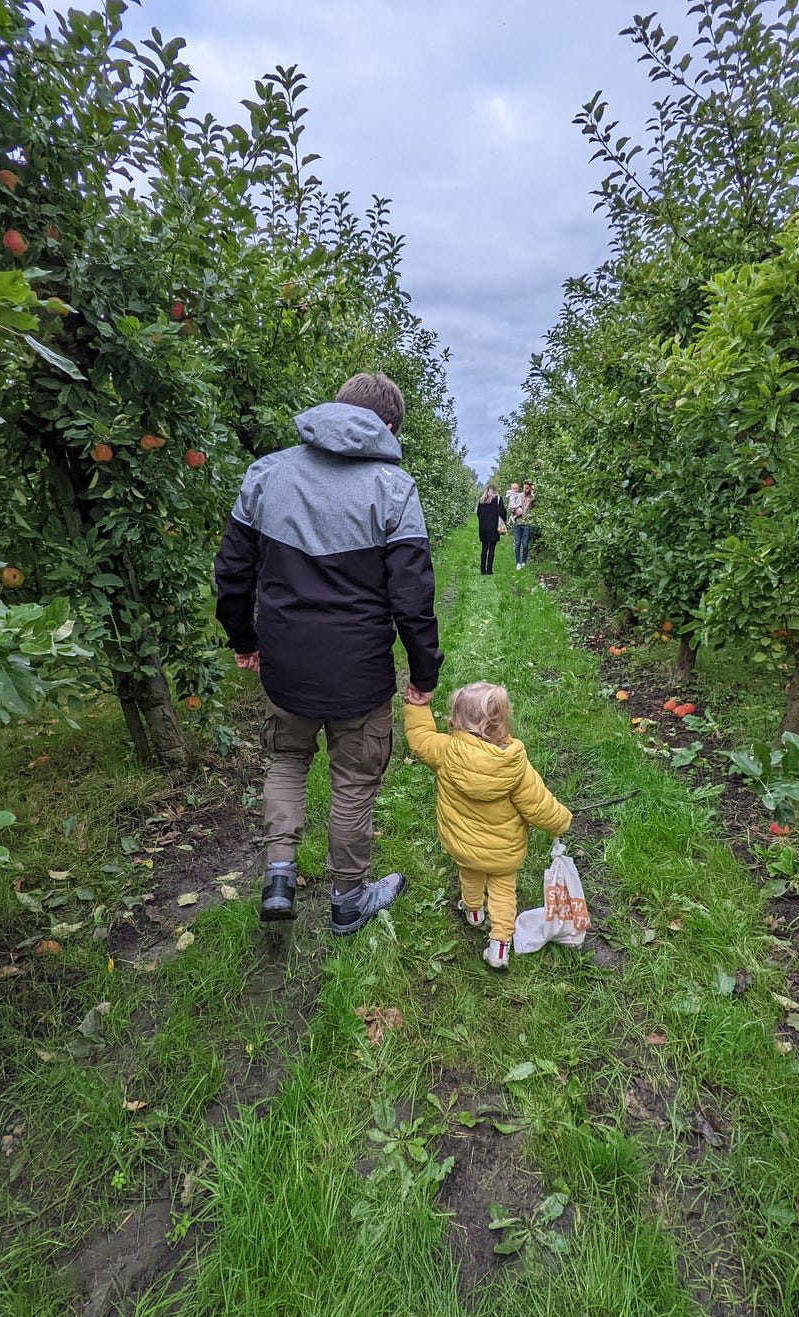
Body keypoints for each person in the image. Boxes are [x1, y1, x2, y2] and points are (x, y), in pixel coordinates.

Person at [214, 372, 443, 938]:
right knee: (353, 783)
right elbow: (412, 597)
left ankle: (278, 876)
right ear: (387, 427)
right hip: (359, 671)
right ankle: (347, 899)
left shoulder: (266, 473)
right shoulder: (394, 488)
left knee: (287, 760)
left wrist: (244, 640)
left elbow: (232, 574)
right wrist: (424, 672)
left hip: (286, 661)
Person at [402, 681, 572, 969]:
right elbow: (539, 805)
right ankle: (500, 946)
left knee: (470, 875)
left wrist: (416, 705)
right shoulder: (514, 766)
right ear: (503, 724)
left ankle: (474, 912)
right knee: (503, 891)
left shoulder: (446, 751)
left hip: (462, 845)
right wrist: (561, 821)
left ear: (454, 721)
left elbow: (420, 738)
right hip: (503, 852)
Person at [476, 484, 507, 575]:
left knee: (484, 548)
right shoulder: (497, 499)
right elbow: (502, 512)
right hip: (494, 527)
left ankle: (482, 569)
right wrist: (503, 519)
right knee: (492, 548)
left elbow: (478, 514)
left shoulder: (482, 500)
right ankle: (489, 569)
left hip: (483, 527)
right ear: (495, 490)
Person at [512, 480, 535, 570]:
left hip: (526, 523)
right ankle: (518, 562)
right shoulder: (519, 496)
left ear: (530, 488)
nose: (525, 490)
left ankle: (524, 561)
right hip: (518, 522)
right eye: (524, 488)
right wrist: (515, 511)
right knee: (517, 543)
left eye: (527, 488)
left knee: (525, 543)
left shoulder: (532, 497)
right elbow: (512, 506)